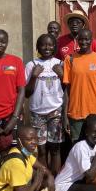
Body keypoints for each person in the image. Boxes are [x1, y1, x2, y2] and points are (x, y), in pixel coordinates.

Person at [25, 34, 65, 175]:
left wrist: (62, 75)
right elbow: (26, 93)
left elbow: (67, 88)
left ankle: (56, 179)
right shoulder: (31, 65)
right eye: (43, 45)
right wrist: (34, 76)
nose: (47, 47)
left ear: (55, 47)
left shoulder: (60, 63)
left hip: (56, 111)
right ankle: (43, 180)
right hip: (37, 112)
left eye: (50, 45)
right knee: (41, 149)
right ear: (38, 47)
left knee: (55, 148)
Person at [62, 29, 96, 142]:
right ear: (77, 41)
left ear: (91, 40)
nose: (83, 42)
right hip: (76, 113)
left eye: (86, 39)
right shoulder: (69, 59)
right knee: (77, 147)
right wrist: (64, 116)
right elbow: (67, 90)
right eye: (81, 39)